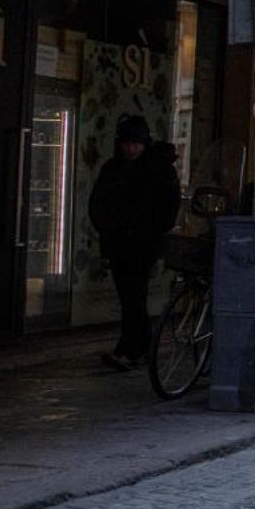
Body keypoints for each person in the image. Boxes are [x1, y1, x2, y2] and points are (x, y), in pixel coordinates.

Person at [88, 114, 181, 371]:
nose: (130, 149)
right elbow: (98, 204)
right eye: (126, 144)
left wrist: (151, 231)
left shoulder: (159, 169)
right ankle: (141, 347)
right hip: (119, 241)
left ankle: (128, 349)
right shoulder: (113, 168)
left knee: (133, 295)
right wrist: (108, 228)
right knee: (131, 295)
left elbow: (169, 207)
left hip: (143, 243)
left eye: (135, 144)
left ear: (144, 143)